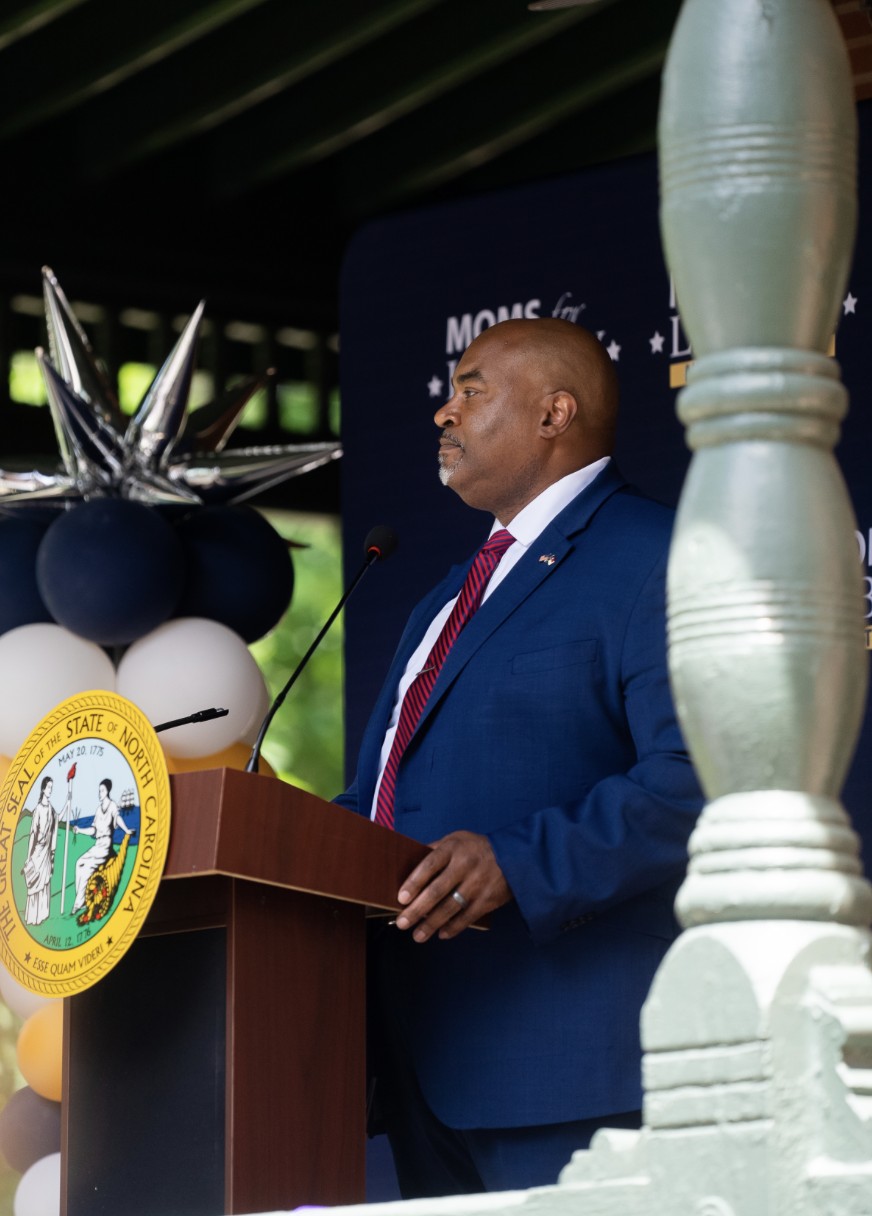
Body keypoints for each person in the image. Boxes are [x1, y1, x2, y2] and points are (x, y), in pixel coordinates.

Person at [335, 317, 703, 1196]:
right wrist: (281, 832)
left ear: (553, 414)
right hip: (420, 1058)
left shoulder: (658, 557)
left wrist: (519, 860)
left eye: (471, 389)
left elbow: (699, 778)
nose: (443, 413)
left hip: (568, 1065)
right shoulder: (442, 599)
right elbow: (378, 800)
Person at [71, 779, 133, 915]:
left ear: (108, 791)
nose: (100, 793)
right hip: (97, 845)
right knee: (79, 863)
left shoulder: (112, 806)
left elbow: (118, 819)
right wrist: (79, 830)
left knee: (87, 868)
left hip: (105, 846)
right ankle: (82, 901)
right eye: (99, 791)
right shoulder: (98, 810)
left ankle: (78, 903)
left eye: (102, 790)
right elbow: (93, 830)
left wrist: (127, 830)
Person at [22, 776, 68, 926]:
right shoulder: (38, 810)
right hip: (38, 852)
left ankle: (42, 915)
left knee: (45, 882)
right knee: (34, 883)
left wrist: (67, 804)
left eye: (51, 788)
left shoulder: (51, 809)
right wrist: (28, 857)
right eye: (48, 787)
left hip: (47, 853)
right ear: (43, 789)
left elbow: (58, 820)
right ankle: (33, 917)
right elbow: (33, 834)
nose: (50, 790)